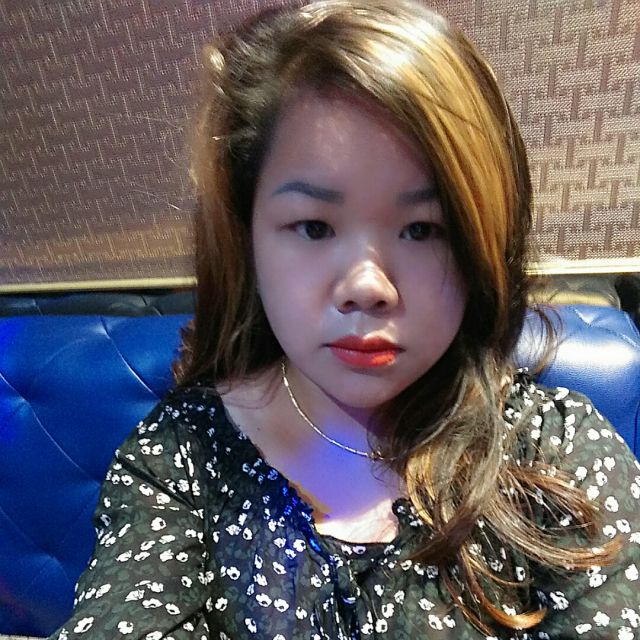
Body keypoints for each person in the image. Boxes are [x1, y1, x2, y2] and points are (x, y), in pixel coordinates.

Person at [50, 1, 640, 638]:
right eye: (313, 227)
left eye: (423, 229)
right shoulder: (184, 454)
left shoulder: (555, 446)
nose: (367, 287)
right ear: (247, 237)